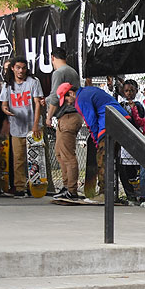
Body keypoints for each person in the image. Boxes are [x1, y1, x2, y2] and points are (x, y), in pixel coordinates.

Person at [0, 57, 42, 197]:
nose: (21, 71)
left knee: (34, 158)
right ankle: (19, 187)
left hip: (32, 126)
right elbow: (3, 104)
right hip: (16, 126)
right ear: (13, 68)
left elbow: (37, 104)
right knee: (18, 158)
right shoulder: (8, 85)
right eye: (18, 68)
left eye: (23, 68)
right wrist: (5, 110)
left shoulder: (33, 82)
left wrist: (35, 125)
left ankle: (35, 184)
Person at [48, 71, 85, 201]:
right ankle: (66, 186)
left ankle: (72, 189)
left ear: (70, 93)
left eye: (67, 99)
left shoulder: (77, 98)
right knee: (59, 153)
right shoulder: (68, 97)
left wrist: (48, 117)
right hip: (62, 119)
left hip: (70, 118)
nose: (67, 102)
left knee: (68, 156)